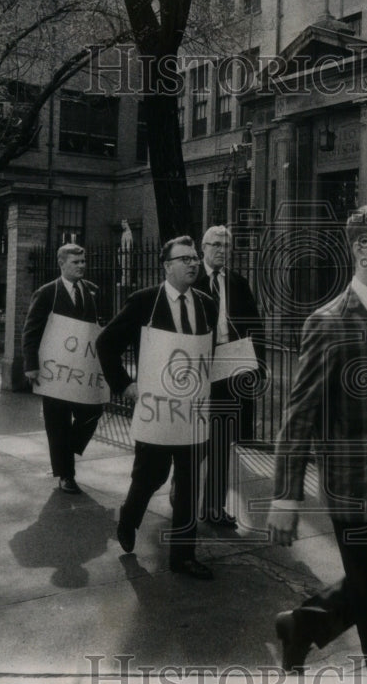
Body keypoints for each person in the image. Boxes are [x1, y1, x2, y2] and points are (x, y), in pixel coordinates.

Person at [266, 204, 367, 675]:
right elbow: (299, 415)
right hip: (352, 487)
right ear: (360, 248)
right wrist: (284, 495)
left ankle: (301, 626)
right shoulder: (328, 322)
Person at [97, 236, 218, 580]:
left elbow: (211, 354)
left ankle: (183, 557)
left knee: (189, 482)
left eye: (195, 258)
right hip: (157, 412)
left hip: (192, 412)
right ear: (167, 266)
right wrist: (125, 384)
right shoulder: (144, 302)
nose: (193, 264)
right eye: (185, 259)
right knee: (151, 475)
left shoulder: (208, 304)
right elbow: (105, 343)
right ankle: (130, 516)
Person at [194, 225, 263, 528]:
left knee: (222, 440)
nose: (222, 250)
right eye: (216, 244)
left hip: (230, 367)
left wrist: (256, 367)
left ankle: (214, 508)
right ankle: (179, 481)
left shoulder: (238, 283)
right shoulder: (191, 279)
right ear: (203, 247)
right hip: (196, 370)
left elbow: (255, 327)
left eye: (227, 245)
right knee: (196, 440)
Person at [22, 243, 103, 494]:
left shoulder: (91, 291)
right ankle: (66, 474)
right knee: (57, 422)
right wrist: (31, 365)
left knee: (93, 411)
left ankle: (66, 450)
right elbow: (31, 330)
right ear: (62, 264)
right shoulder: (47, 293)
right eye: (75, 262)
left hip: (82, 370)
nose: (81, 266)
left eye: (83, 261)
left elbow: (95, 331)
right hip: (54, 370)